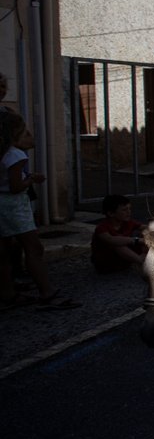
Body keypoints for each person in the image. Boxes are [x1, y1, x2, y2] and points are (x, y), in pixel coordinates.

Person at [0, 112, 80, 310]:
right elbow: (16, 187)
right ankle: (47, 292)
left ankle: (7, 292)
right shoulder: (16, 155)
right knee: (33, 248)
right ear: (14, 134)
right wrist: (31, 180)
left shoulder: (3, 154)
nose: (30, 136)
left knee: (4, 250)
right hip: (15, 206)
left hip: (3, 205)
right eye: (25, 132)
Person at [91, 194, 147, 273]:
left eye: (129, 209)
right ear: (111, 213)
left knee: (147, 234)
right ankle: (141, 261)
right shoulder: (102, 228)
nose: (128, 212)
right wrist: (138, 240)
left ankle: (147, 259)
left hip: (125, 261)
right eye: (124, 210)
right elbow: (111, 240)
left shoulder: (128, 223)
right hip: (106, 264)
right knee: (118, 244)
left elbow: (144, 227)